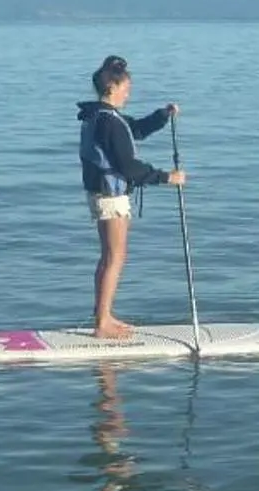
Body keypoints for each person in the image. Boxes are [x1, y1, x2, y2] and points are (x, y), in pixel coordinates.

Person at [76, 55, 184, 339]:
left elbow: (135, 130)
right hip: (110, 195)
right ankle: (102, 323)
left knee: (110, 257)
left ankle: (104, 315)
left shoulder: (102, 117)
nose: (129, 92)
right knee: (115, 257)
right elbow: (128, 167)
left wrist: (162, 115)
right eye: (126, 87)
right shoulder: (107, 121)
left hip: (104, 192)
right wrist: (166, 177)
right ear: (112, 87)